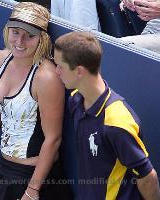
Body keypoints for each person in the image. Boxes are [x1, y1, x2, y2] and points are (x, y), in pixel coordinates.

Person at [0, 2, 73, 200]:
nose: (20, 41)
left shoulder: (46, 77)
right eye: (15, 32)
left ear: (42, 39)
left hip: (35, 178)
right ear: (7, 30)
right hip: (4, 168)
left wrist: (32, 191)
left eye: (29, 36)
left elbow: (53, 138)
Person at [54, 31, 160, 200]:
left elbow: (148, 178)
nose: (56, 71)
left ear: (79, 71)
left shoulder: (117, 123)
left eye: (60, 66)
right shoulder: (75, 100)